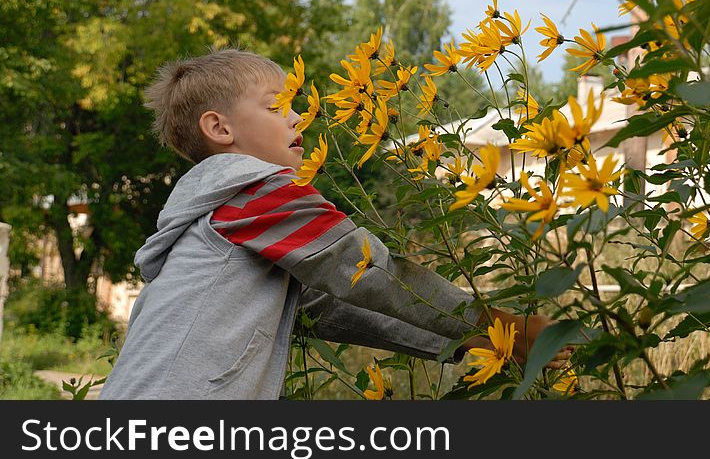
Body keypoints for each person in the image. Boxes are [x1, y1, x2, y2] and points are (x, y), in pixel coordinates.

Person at [100, 48, 571, 399]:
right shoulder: (253, 192)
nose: (299, 115)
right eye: (275, 106)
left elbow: (331, 306)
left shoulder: (226, 214)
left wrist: (466, 341)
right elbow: (363, 269)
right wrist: (495, 325)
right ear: (220, 129)